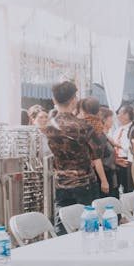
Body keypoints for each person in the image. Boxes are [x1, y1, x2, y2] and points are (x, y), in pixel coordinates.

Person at [45, 81, 105, 229]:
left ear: (54, 100)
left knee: (63, 226)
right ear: (74, 100)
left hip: (61, 182)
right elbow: (98, 153)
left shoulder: (48, 126)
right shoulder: (83, 126)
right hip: (84, 182)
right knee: (89, 225)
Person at [110, 105, 134, 193]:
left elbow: (131, 148)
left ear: (126, 115)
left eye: (120, 113)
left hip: (126, 162)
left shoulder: (132, 130)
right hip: (116, 161)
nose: (117, 116)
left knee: (127, 188)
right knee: (115, 188)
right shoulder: (118, 129)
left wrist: (117, 145)